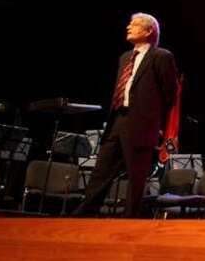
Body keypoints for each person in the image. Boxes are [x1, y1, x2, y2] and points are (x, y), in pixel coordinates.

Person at [74, 13, 178, 217]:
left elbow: (170, 93)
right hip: (117, 119)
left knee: (136, 175)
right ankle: (84, 213)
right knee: (102, 169)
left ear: (148, 31)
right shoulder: (124, 58)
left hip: (141, 123)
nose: (128, 27)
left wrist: (153, 120)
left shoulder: (161, 56)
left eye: (135, 24)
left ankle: (131, 218)